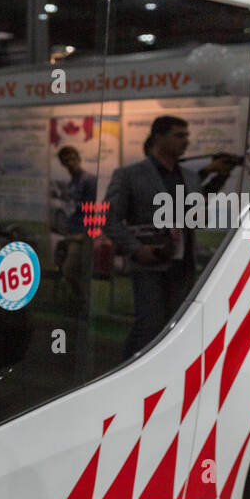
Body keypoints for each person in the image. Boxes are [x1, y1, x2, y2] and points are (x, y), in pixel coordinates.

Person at [104, 115, 202, 358]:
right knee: (149, 327)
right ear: (158, 138)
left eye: (187, 136)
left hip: (184, 264)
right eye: (179, 135)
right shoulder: (129, 175)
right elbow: (110, 220)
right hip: (149, 265)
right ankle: (126, 378)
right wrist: (137, 249)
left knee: (177, 328)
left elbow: (194, 218)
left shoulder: (191, 177)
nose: (185, 141)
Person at [56, 145, 98, 316]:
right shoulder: (72, 183)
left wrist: (87, 233)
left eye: (73, 158)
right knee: (75, 272)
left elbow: (94, 209)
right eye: (66, 160)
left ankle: (84, 307)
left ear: (78, 158)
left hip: (83, 234)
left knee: (72, 270)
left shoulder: (88, 180)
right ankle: (81, 307)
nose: (70, 162)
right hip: (73, 232)